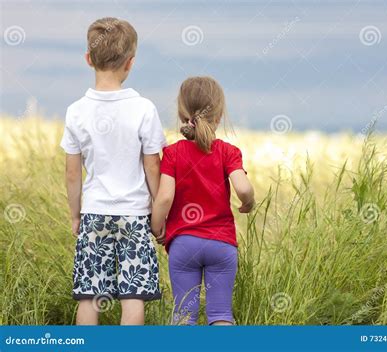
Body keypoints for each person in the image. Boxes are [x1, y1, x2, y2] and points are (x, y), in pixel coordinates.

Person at [60, 17, 166, 325]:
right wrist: (158, 211)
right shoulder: (143, 108)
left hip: (94, 211)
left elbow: (71, 172)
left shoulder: (76, 111)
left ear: (88, 59)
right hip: (135, 214)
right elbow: (152, 165)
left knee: (90, 295)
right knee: (133, 294)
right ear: (130, 63)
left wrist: (75, 215)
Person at [151, 76, 255, 325]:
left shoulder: (173, 153)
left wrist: (157, 228)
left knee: (184, 316)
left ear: (181, 114)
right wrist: (248, 202)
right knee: (221, 315)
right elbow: (242, 187)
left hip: (184, 244)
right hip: (222, 245)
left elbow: (164, 196)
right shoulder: (228, 152)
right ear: (219, 116)